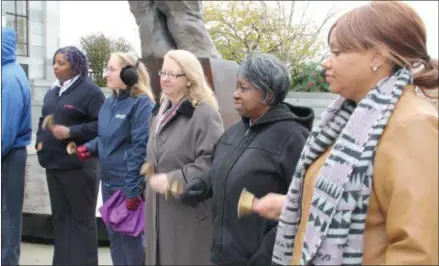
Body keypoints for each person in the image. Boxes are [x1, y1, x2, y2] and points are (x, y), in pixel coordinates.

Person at [252, 2, 438, 265]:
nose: (326, 63)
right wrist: (293, 204)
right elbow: (358, 204)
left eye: (337, 52)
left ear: (378, 56)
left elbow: (419, 252)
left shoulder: (413, 125)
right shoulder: (347, 121)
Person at [180, 53, 315, 265]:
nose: (235, 94)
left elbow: (302, 205)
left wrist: (266, 254)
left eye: (244, 88)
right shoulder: (235, 132)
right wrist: (203, 184)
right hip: (222, 257)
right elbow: (226, 168)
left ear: (268, 95)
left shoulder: (293, 138)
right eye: (237, 87)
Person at [145, 49, 224, 265]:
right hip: (158, 211)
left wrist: (173, 180)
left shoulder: (204, 115)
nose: (165, 78)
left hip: (187, 215)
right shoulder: (160, 111)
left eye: (173, 74)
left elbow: (212, 164)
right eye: (163, 72)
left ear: (190, 79)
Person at [76, 52, 155, 265]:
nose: (106, 73)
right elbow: (104, 138)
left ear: (129, 73)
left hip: (126, 186)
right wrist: (89, 148)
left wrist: (132, 190)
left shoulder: (141, 104)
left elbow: (140, 149)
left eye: (111, 69)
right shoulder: (109, 104)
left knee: (132, 245)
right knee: (116, 242)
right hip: (108, 184)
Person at [35, 46, 105, 265]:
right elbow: (43, 118)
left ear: (75, 66)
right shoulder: (53, 91)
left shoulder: (91, 92)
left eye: (61, 63)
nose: (55, 67)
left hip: (79, 168)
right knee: (61, 220)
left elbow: (101, 126)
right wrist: (40, 142)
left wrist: (72, 132)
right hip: (53, 165)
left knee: (82, 222)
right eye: (54, 62)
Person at [1, 27, 32, 266]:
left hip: (9, 154)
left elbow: (6, 128)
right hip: (10, 153)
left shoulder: (8, 78)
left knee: (7, 214)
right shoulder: (11, 72)